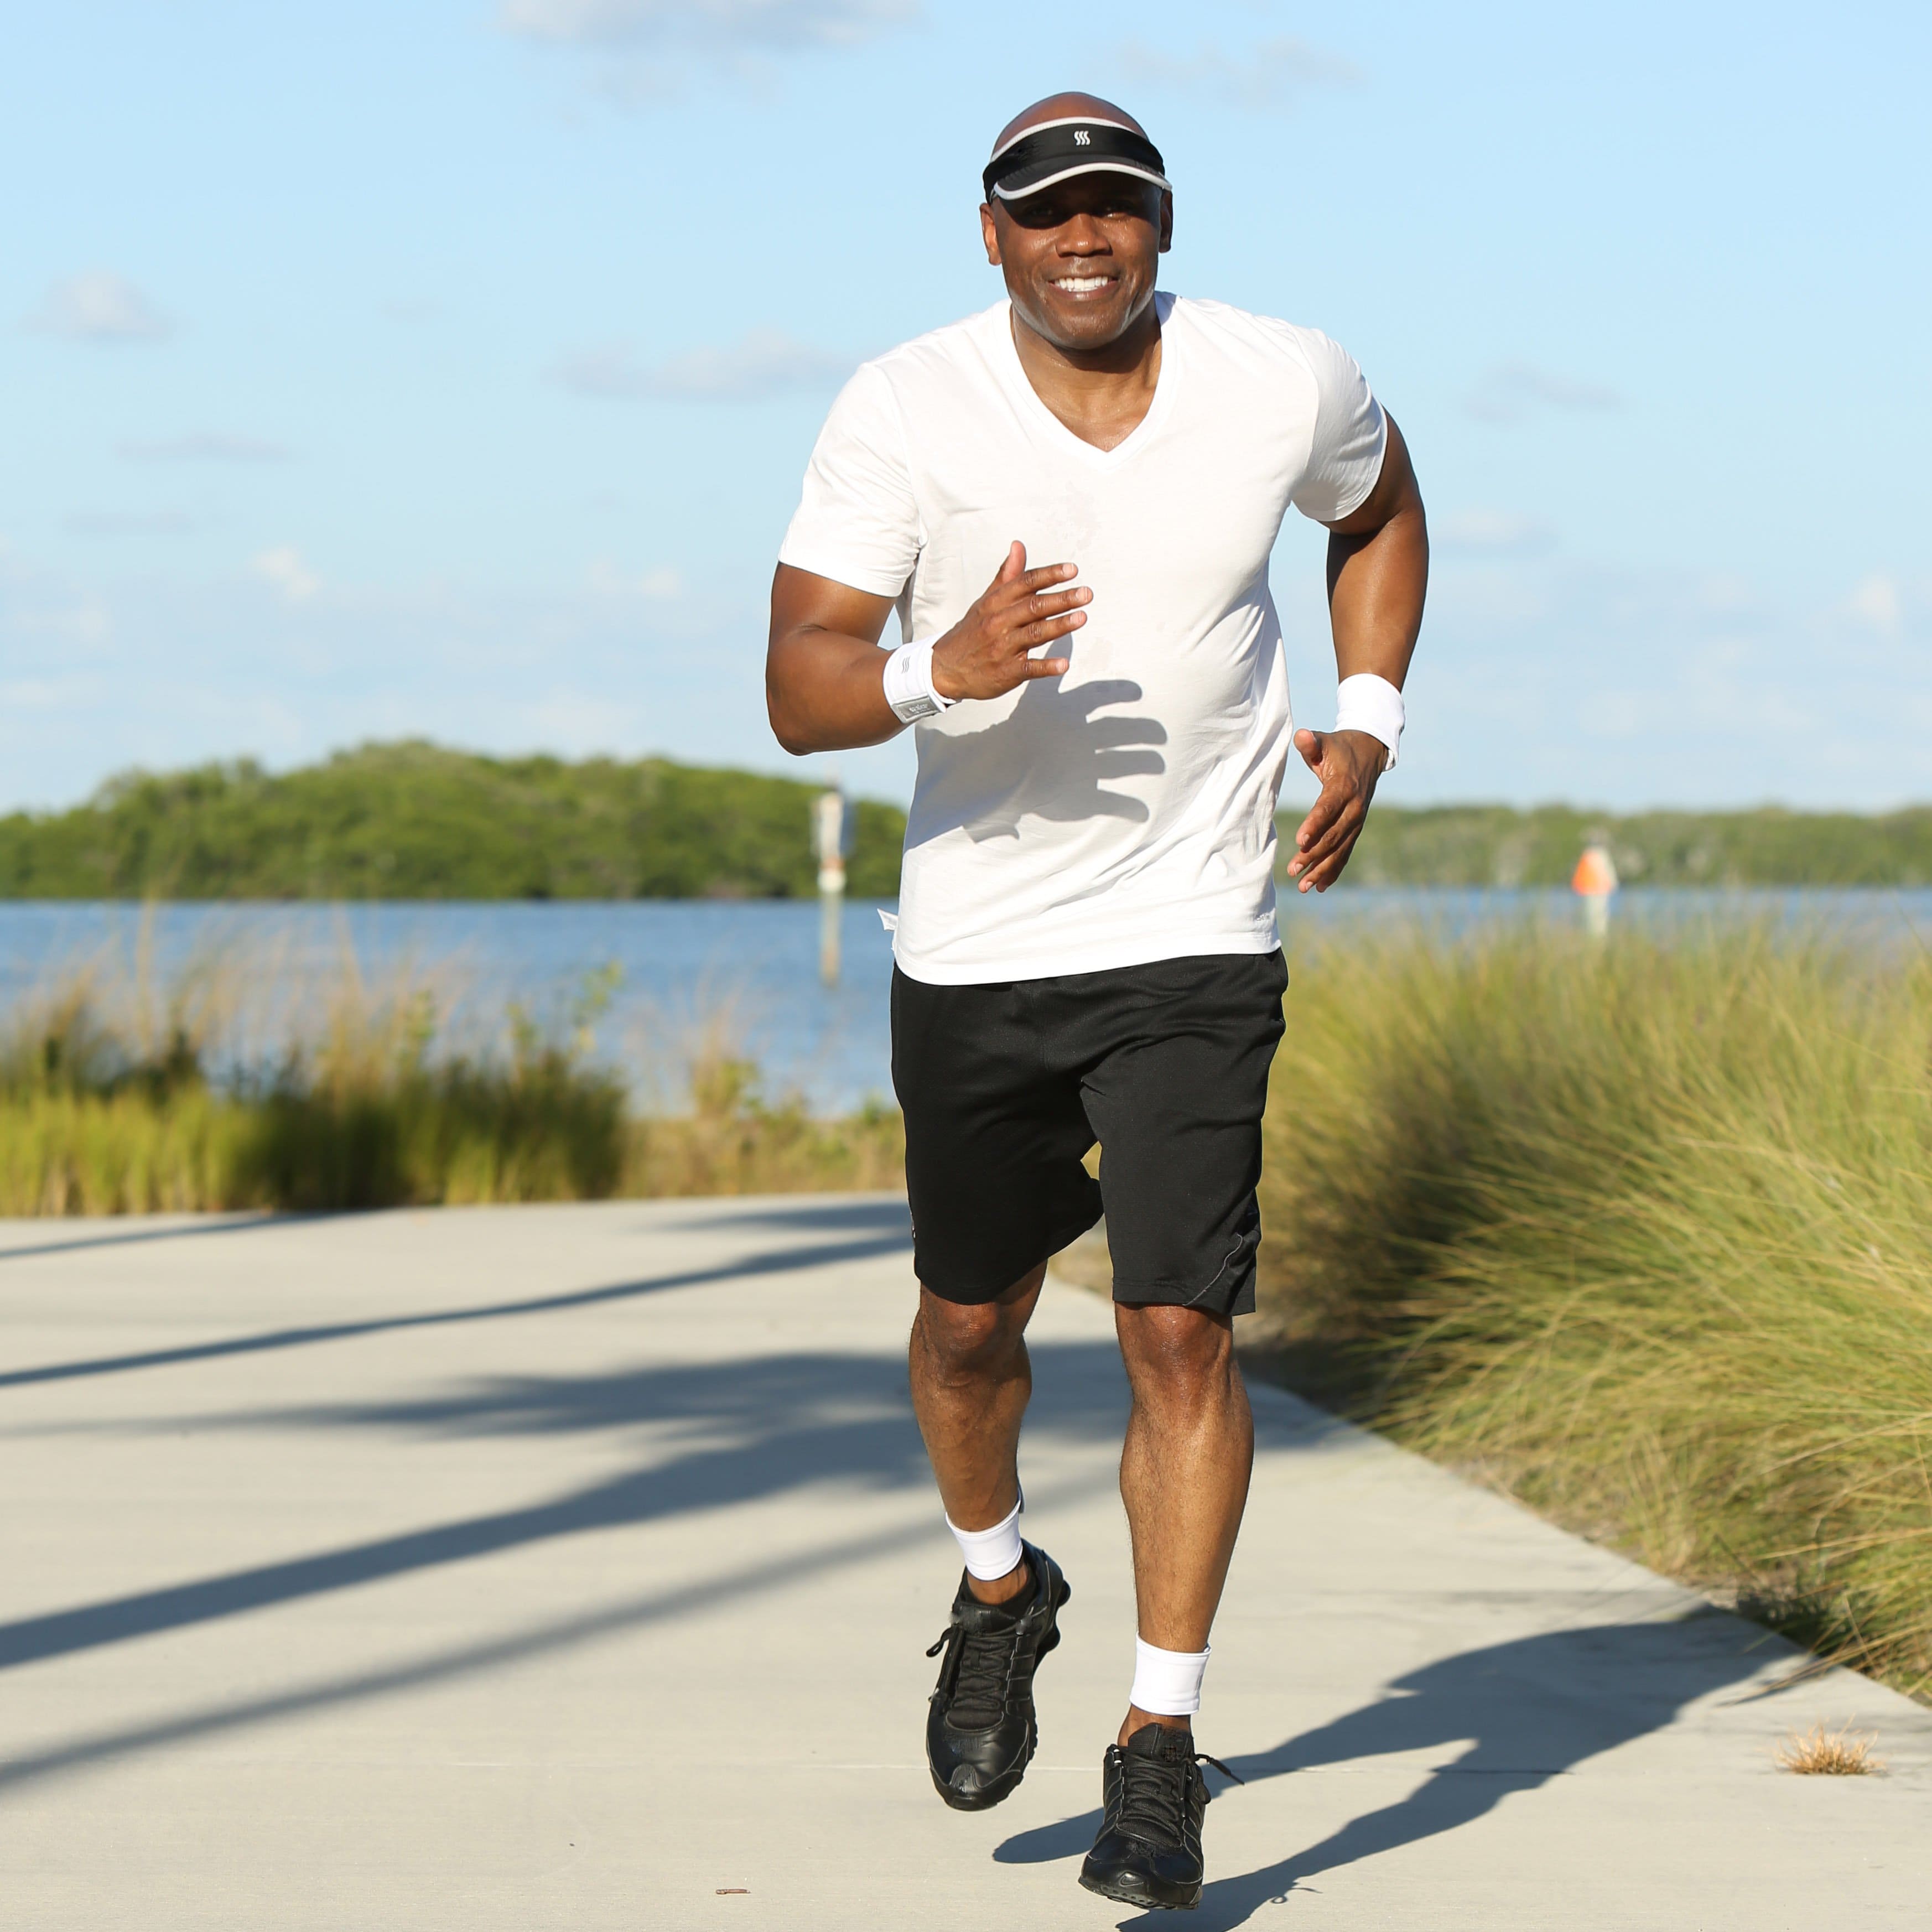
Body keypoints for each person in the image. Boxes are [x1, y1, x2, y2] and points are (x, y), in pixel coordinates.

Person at [765, 91, 1427, 1911]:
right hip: (976, 948)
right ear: (989, 236)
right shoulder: (904, 407)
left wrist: (1365, 717)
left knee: (1175, 1336)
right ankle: (1000, 1585)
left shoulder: (1280, 377)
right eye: (1045, 209)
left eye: (1115, 206)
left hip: (1197, 936)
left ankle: (1157, 1738)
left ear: (1159, 225)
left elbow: (1379, 509)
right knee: (970, 1327)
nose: (1083, 234)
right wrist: (934, 665)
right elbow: (796, 686)